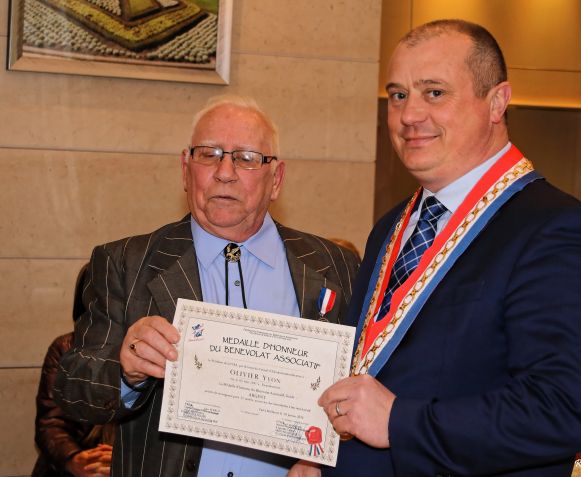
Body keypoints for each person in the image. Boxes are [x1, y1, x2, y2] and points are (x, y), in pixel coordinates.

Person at [317, 19, 581, 477]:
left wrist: (401, 421)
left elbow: (563, 408)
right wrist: (317, 454)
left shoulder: (559, 229)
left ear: (497, 101)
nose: (409, 115)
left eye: (434, 92)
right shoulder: (392, 226)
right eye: (398, 94)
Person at [53, 95, 360, 477]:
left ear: (276, 178)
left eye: (247, 157)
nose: (225, 172)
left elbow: (365, 389)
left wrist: (324, 460)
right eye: (209, 154)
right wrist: (125, 368)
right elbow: (72, 389)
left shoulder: (334, 265)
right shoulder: (126, 263)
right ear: (185, 169)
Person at [33, 265, 114, 477]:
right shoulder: (65, 347)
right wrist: (75, 459)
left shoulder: (148, 348)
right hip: (76, 461)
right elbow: (50, 423)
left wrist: (124, 458)